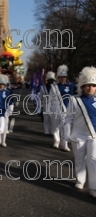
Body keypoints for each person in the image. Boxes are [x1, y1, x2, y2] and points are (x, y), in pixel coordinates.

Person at [64, 66, 96, 198]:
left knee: (93, 160)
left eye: (93, 85)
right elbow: (68, 119)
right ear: (82, 86)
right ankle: (80, 180)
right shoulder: (74, 100)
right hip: (78, 135)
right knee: (79, 160)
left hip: (94, 135)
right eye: (87, 85)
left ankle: (94, 186)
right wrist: (66, 133)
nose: (90, 88)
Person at [49, 65, 74, 151]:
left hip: (66, 109)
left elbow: (72, 97)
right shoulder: (54, 86)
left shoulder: (70, 86)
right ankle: (56, 141)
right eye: (61, 77)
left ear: (66, 77)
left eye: (64, 77)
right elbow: (50, 98)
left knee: (65, 127)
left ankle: (64, 144)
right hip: (56, 109)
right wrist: (49, 109)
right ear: (58, 77)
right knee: (55, 126)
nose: (62, 78)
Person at [0, 74, 14, 147]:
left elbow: (11, 101)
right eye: (0, 84)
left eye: (3, 84)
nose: (1, 86)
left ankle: (3, 141)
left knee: (5, 126)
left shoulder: (8, 92)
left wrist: (11, 109)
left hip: (5, 111)